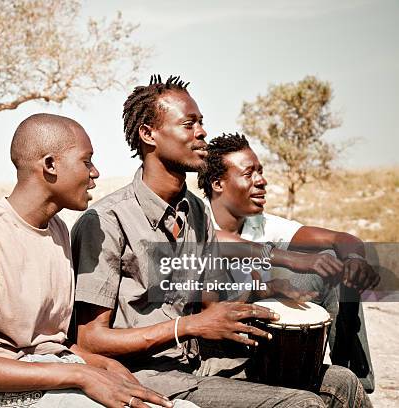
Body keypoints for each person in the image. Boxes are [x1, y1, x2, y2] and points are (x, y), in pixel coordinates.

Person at [71, 75, 373, 407]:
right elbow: (90, 340)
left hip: (201, 363)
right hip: (148, 373)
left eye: (201, 123)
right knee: (302, 404)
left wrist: (272, 293)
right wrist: (188, 326)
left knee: (341, 381)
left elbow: (211, 307)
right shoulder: (106, 221)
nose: (202, 133)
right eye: (188, 124)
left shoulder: (196, 212)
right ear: (148, 134)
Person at [0, 113, 189, 408]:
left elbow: (51, 342)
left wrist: (101, 365)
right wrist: (81, 374)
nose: (95, 173)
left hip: (55, 372)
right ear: (50, 165)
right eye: (86, 161)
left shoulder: (59, 231)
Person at [197, 132, 379, 392]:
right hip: (218, 344)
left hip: (262, 327)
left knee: (335, 263)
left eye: (260, 171)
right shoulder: (196, 218)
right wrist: (286, 261)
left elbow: (341, 238)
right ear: (218, 184)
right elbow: (215, 241)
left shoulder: (261, 223)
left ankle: (356, 384)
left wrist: (353, 258)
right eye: (248, 174)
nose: (262, 181)